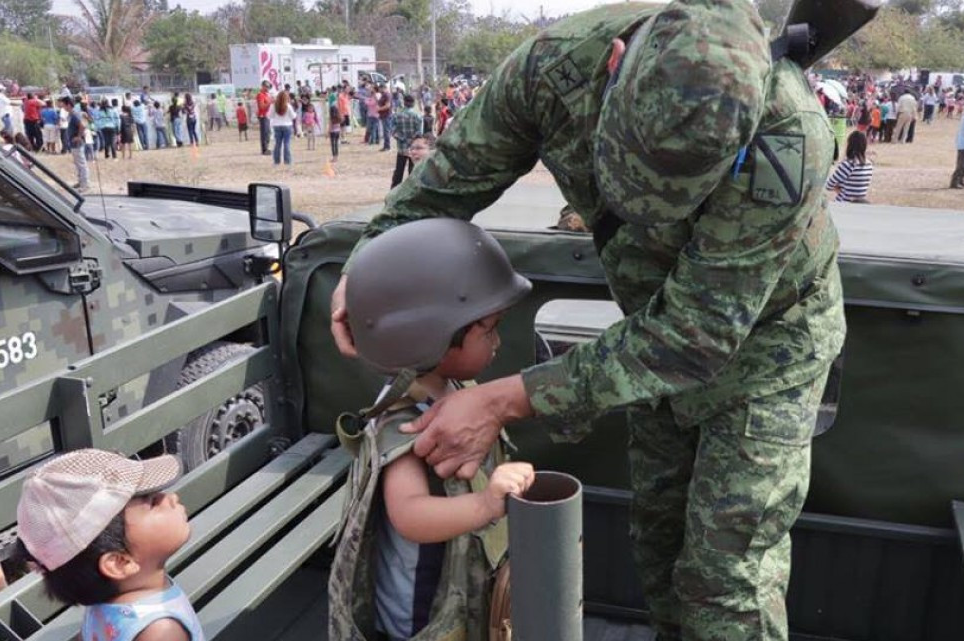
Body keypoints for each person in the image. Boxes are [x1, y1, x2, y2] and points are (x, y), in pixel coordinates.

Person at [328, 2, 846, 639]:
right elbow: (443, 185)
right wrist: (368, 267)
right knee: (659, 545)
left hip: (769, 348)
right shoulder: (551, 69)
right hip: (650, 343)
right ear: (617, 61)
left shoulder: (788, 139)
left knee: (726, 580)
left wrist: (504, 401)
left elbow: (697, 333)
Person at [329, 218, 536, 641]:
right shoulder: (404, 423)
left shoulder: (454, 393)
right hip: (420, 618)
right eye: (488, 329)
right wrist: (485, 505)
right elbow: (410, 515)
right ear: (431, 337)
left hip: (457, 591)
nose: (496, 342)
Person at [12, 449, 203, 641]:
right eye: (153, 502)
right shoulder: (162, 631)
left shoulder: (103, 607)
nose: (171, 497)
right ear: (119, 562)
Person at [826, 130, 873, 203]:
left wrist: (837, 188)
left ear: (849, 145)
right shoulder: (869, 165)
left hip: (844, 204)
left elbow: (828, 185)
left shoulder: (848, 165)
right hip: (861, 204)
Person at [390, 95, 424, 188]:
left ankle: (394, 190)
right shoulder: (417, 116)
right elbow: (420, 133)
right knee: (412, 171)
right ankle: (411, 190)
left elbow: (393, 131)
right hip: (413, 148)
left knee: (399, 171)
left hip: (401, 148)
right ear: (413, 103)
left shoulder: (397, 115)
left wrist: (402, 138)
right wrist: (412, 139)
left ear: (404, 102)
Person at [269, 90, 296, 166]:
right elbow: (293, 116)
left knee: (277, 144)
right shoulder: (288, 106)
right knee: (286, 144)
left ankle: (276, 162)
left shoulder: (274, 105)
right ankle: (287, 161)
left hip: (277, 126)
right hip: (287, 125)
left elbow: (269, 116)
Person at [256, 81, 273, 155]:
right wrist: (270, 102)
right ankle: (264, 149)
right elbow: (261, 106)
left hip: (267, 115)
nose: (268, 88)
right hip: (263, 115)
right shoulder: (260, 95)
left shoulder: (266, 95)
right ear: (262, 86)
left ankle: (266, 148)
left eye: (269, 87)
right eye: (266, 86)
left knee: (268, 133)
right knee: (264, 133)